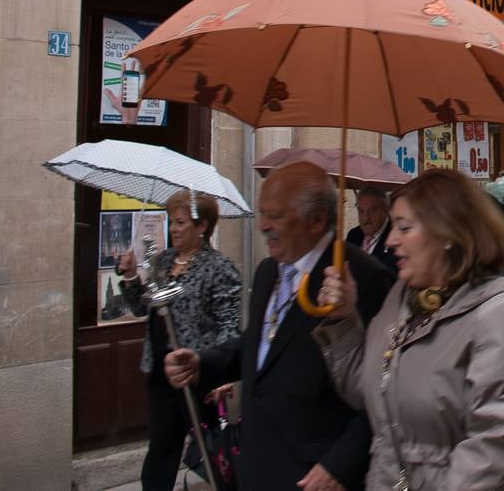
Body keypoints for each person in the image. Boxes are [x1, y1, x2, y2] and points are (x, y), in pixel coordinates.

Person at [164, 162, 394, 491]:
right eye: (261, 214)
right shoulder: (268, 271)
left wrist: (342, 464)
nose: (263, 227)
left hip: (316, 473)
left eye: (276, 216)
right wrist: (203, 364)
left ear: (316, 221)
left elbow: (383, 388)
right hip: (259, 463)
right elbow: (259, 348)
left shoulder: (362, 277)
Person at [314, 169, 504, 489]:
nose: (392, 239)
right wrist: (343, 321)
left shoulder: (501, 315)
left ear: (449, 234)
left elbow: (493, 446)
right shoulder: (400, 297)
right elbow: (369, 391)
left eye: (405, 227)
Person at [117, 191, 241, 491]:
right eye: (172, 222)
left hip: (198, 373)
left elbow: (229, 325)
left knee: (210, 448)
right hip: (162, 374)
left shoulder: (219, 267)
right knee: (161, 449)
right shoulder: (162, 261)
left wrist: (221, 374)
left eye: (181, 222)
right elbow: (141, 306)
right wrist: (133, 277)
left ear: (202, 226)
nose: (173, 228)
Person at [344, 185, 397, 272]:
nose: (366, 218)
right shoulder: (353, 235)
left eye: (372, 210)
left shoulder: (395, 238)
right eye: (361, 211)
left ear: (385, 210)